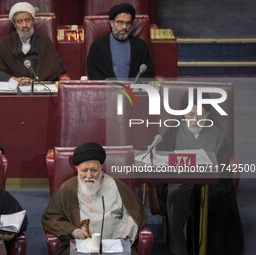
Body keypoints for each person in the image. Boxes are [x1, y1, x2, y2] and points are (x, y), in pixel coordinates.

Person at [156, 90, 244, 255]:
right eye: (190, 114)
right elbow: (161, 161)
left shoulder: (218, 135)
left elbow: (224, 172)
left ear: (208, 113)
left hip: (208, 186)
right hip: (178, 184)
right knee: (176, 195)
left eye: (200, 115)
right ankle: (178, 247)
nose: (195, 120)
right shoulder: (173, 131)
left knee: (215, 198)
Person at [42, 142, 147, 255]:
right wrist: (73, 231)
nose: (89, 175)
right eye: (84, 170)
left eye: (94, 170)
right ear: (76, 168)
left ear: (101, 166)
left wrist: (121, 237)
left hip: (114, 246)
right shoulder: (67, 189)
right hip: (81, 247)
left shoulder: (117, 186)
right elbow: (51, 218)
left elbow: (133, 213)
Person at [0, 2, 65, 84]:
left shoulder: (44, 41)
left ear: (33, 21)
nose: (24, 25)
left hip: (40, 87)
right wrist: (13, 80)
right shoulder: (4, 43)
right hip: (13, 89)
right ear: (14, 24)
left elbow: (56, 67)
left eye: (27, 20)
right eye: (19, 21)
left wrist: (35, 81)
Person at [87, 3, 155, 80]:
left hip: (133, 91)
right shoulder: (98, 45)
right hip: (106, 90)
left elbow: (148, 74)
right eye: (120, 22)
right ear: (112, 23)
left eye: (128, 23)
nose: (124, 27)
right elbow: (93, 72)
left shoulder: (141, 46)